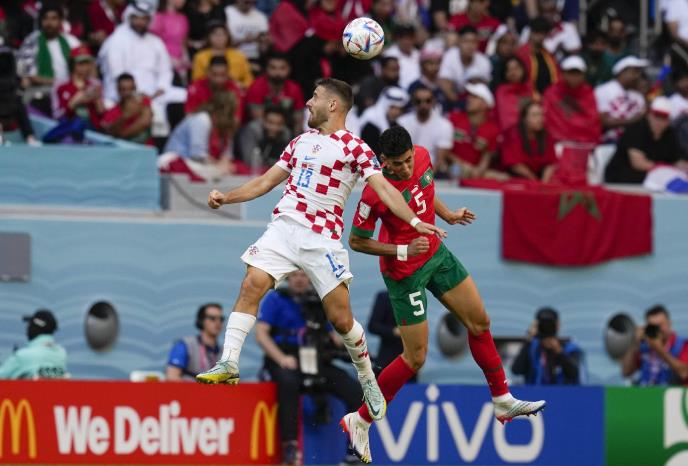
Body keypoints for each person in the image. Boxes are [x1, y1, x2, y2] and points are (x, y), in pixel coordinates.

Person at [195, 78, 445, 430]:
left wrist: (415, 221)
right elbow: (265, 182)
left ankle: (368, 380)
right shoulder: (299, 142)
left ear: (332, 105)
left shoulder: (355, 148)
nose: (308, 103)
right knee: (252, 283)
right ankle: (229, 362)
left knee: (341, 319)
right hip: (284, 228)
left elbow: (385, 190)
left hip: (322, 238)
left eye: (314, 97)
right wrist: (226, 197)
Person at [342, 126, 545, 463]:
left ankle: (502, 399)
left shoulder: (423, 157)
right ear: (383, 161)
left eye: (408, 160)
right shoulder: (374, 193)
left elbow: (425, 191)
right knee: (415, 358)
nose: (405, 168)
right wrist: (404, 250)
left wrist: (447, 213)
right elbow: (357, 241)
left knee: (480, 322)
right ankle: (360, 420)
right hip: (404, 273)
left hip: (436, 254)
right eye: (397, 164)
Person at [256, 270, 363, 466]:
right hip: (284, 356)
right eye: (295, 275)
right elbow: (261, 334)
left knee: (354, 390)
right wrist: (281, 358)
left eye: (304, 275)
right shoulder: (275, 298)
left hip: (314, 359)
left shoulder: (319, 301)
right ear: (288, 278)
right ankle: (290, 447)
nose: (299, 279)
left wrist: (353, 347)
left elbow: (334, 337)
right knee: (288, 383)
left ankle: (353, 451)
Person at [16, 2, 80, 115]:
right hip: (40, 92)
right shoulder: (32, 41)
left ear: (61, 21)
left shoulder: (71, 42)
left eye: (54, 18)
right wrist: (56, 83)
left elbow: (85, 68)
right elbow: (28, 75)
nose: (49, 23)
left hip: (69, 93)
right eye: (45, 18)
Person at [605, 96, 683, 184]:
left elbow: (677, 160)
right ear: (649, 115)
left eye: (663, 119)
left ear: (668, 121)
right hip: (623, 178)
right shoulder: (636, 129)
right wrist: (665, 168)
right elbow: (638, 163)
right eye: (656, 117)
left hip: (654, 177)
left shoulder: (670, 134)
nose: (658, 122)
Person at [161, 91, 238, 179]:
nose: (234, 117)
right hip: (178, 161)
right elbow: (198, 156)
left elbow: (227, 156)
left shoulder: (226, 126)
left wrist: (225, 164)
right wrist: (218, 165)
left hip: (201, 164)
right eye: (231, 113)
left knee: (235, 170)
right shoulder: (202, 119)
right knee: (219, 172)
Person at [44, 45, 105, 143]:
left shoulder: (95, 84)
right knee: (75, 124)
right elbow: (56, 114)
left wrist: (97, 100)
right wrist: (74, 103)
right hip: (68, 126)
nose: (85, 67)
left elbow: (101, 114)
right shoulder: (60, 85)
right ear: (72, 64)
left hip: (92, 128)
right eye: (81, 63)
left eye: (87, 63)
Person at [511, 307, 585, 385]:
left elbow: (574, 374)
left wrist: (559, 352)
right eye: (543, 324)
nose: (547, 327)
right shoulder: (532, 349)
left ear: (558, 325)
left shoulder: (570, 348)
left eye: (550, 324)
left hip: (562, 392)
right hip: (535, 392)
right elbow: (516, 370)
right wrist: (529, 338)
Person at [448, 82, 506, 179]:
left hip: (475, 172)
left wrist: (478, 171)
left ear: (485, 104)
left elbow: (487, 156)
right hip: (450, 167)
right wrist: (462, 165)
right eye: (469, 96)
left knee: (502, 177)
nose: (469, 99)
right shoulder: (454, 118)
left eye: (474, 97)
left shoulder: (493, 129)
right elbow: (444, 150)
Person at [621, 305, 688, 385]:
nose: (657, 330)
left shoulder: (683, 345)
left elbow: (684, 373)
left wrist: (659, 349)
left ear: (669, 323)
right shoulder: (644, 347)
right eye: (653, 327)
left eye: (660, 325)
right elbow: (626, 372)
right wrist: (633, 343)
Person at [542, 55, 601, 144]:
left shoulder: (588, 92)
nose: (574, 77)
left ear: (584, 75)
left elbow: (592, 121)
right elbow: (549, 119)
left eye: (577, 73)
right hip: (558, 142)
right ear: (563, 74)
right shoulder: (552, 92)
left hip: (585, 142)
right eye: (570, 73)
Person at [397, 85, 454, 175]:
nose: (423, 105)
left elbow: (440, 160)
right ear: (413, 102)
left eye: (428, 101)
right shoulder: (402, 123)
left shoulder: (444, 125)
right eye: (418, 101)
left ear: (433, 102)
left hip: (433, 173)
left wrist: (424, 180)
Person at [244, 52, 305, 133]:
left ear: (289, 69)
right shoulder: (256, 87)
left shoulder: (294, 89)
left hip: (286, 130)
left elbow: (298, 120)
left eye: (282, 68)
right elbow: (257, 118)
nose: (278, 72)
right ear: (266, 69)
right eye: (273, 68)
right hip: (262, 130)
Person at [594, 55, 648, 143]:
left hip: (633, 143)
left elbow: (643, 118)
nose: (637, 76)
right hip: (606, 143)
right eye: (634, 72)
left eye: (639, 72)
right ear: (622, 72)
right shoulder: (603, 90)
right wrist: (633, 121)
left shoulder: (638, 95)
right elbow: (603, 121)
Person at [0, 310, 67, 379]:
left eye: (30, 324)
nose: (27, 328)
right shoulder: (61, 353)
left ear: (35, 327)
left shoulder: (22, 356)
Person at [500, 100, 557, 181]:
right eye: (535, 115)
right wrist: (534, 181)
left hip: (538, 177)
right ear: (524, 118)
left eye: (541, 115)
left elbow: (550, 163)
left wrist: (544, 182)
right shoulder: (512, 133)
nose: (540, 119)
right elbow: (516, 165)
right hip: (516, 176)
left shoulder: (546, 135)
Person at [366, 290, 416, 381]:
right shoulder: (384, 297)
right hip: (388, 358)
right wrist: (394, 331)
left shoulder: (414, 297)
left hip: (410, 360)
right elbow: (372, 326)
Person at [166, 303, 224, 380]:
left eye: (221, 319)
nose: (218, 322)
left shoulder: (224, 352)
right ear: (201, 321)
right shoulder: (186, 345)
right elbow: (172, 377)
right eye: (212, 318)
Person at [438, 25, 493, 106]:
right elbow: (445, 84)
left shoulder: (484, 61)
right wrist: (460, 104)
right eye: (466, 41)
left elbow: (483, 90)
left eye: (473, 42)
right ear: (459, 41)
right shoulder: (450, 55)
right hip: (453, 101)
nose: (470, 46)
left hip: (474, 101)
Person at [190, 22, 253, 89]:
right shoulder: (200, 57)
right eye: (215, 35)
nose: (219, 38)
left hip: (236, 90)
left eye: (222, 34)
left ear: (228, 36)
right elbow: (196, 80)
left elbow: (249, 79)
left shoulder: (239, 55)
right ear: (208, 37)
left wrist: (240, 86)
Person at [100, 73, 154, 144]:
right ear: (118, 90)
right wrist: (124, 117)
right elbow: (110, 131)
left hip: (146, 148)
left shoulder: (143, 101)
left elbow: (145, 122)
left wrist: (121, 134)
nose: (127, 93)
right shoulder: (112, 111)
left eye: (131, 89)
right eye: (123, 89)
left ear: (135, 88)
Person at [235, 105, 292, 171]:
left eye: (279, 124)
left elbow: (287, 163)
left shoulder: (286, 134)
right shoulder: (252, 130)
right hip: (246, 171)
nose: (274, 127)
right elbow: (250, 160)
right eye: (270, 122)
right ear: (263, 121)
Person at [186, 55, 243, 120]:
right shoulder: (195, 88)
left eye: (223, 75)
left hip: (225, 125)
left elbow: (236, 119)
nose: (218, 79)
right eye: (214, 74)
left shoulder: (234, 89)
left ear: (228, 73)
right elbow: (189, 117)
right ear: (208, 72)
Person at [359, 86, 409, 155]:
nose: (396, 112)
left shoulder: (395, 124)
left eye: (399, 109)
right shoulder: (371, 122)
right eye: (393, 107)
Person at [516, 16, 560, 94]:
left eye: (543, 33)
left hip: (549, 96)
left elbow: (556, 77)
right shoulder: (521, 54)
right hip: (528, 96)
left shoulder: (549, 55)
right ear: (531, 32)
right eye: (537, 32)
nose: (540, 36)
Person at [150, 0, 190, 80]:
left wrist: (185, 58)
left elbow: (183, 42)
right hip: (162, 63)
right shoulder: (158, 17)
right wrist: (169, 60)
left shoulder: (183, 18)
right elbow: (152, 45)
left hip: (180, 65)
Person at [494, 55, 536, 130]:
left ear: (523, 69)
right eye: (509, 70)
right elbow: (506, 120)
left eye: (516, 68)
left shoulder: (530, 88)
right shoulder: (501, 92)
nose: (513, 72)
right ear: (505, 74)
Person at [408, 46, 448, 111]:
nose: (435, 67)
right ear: (422, 65)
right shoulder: (415, 86)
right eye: (431, 63)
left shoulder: (442, 86)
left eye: (437, 63)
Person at [383, 23, 421, 90]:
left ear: (414, 38)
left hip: (418, 91)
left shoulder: (418, 54)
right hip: (397, 90)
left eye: (409, 38)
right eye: (403, 38)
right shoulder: (389, 54)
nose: (406, 41)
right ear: (397, 38)